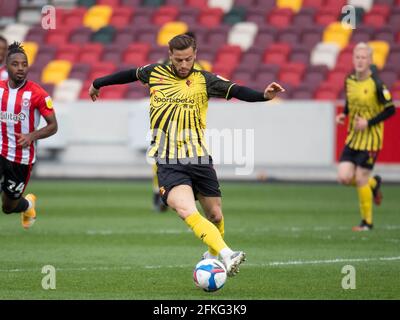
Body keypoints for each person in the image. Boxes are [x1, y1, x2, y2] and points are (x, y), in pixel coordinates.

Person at [89, 34, 285, 276]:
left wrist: (263, 96)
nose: (184, 65)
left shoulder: (205, 80)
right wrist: (98, 82)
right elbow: (128, 74)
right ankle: (226, 254)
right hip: (169, 160)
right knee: (185, 210)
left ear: (195, 56)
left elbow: (235, 90)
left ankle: (212, 254)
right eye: (179, 59)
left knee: (215, 214)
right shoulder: (155, 73)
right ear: (170, 56)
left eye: (188, 59)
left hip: (199, 158)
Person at [336, 42, 395, 231]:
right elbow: (349, 102)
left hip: (371, 140)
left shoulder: (377, 84)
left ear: (370, 60)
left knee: (360, 178)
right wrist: (344, 115)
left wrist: (368, 123)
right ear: (353, 59)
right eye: (357, 57)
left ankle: (367, 223)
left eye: (364, 57)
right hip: (353, 138)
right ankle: (373, 183)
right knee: (344, 177)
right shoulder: (349, 80)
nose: (360, 61)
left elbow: (391, 109)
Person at [0, 42, 58, 229]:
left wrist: (32, 136)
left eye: (24, 64)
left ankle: (28, 205)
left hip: (21, 159)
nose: (20, 68)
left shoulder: (38, 94)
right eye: (15, 64)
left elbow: (53, 126)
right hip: (0, 150)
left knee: (8, 207)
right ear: (7, 66)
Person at [152, 31, 205, 212]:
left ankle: (166, 193)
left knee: (164, 158)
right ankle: (165, 193)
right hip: (175, 122)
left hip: (177, 123)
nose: (183, 63)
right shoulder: (196, 66)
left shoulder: (192, 68)